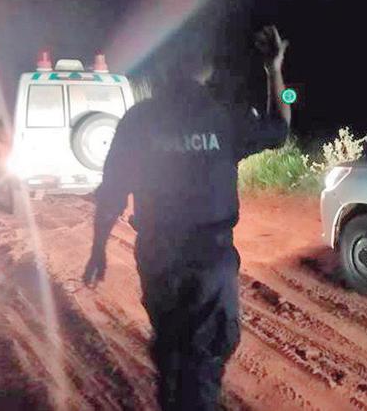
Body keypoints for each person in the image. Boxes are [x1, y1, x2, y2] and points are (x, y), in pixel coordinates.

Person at [82, 25, 291, 410]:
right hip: (209, 257)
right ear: (205, 69)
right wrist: (273, 69)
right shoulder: (224, 117)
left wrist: (98, 251)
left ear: (164, 68)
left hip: (158, 256)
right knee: (204, 358)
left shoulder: (138, 120)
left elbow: (112, 190)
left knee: (170, 348)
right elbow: (280, 129)